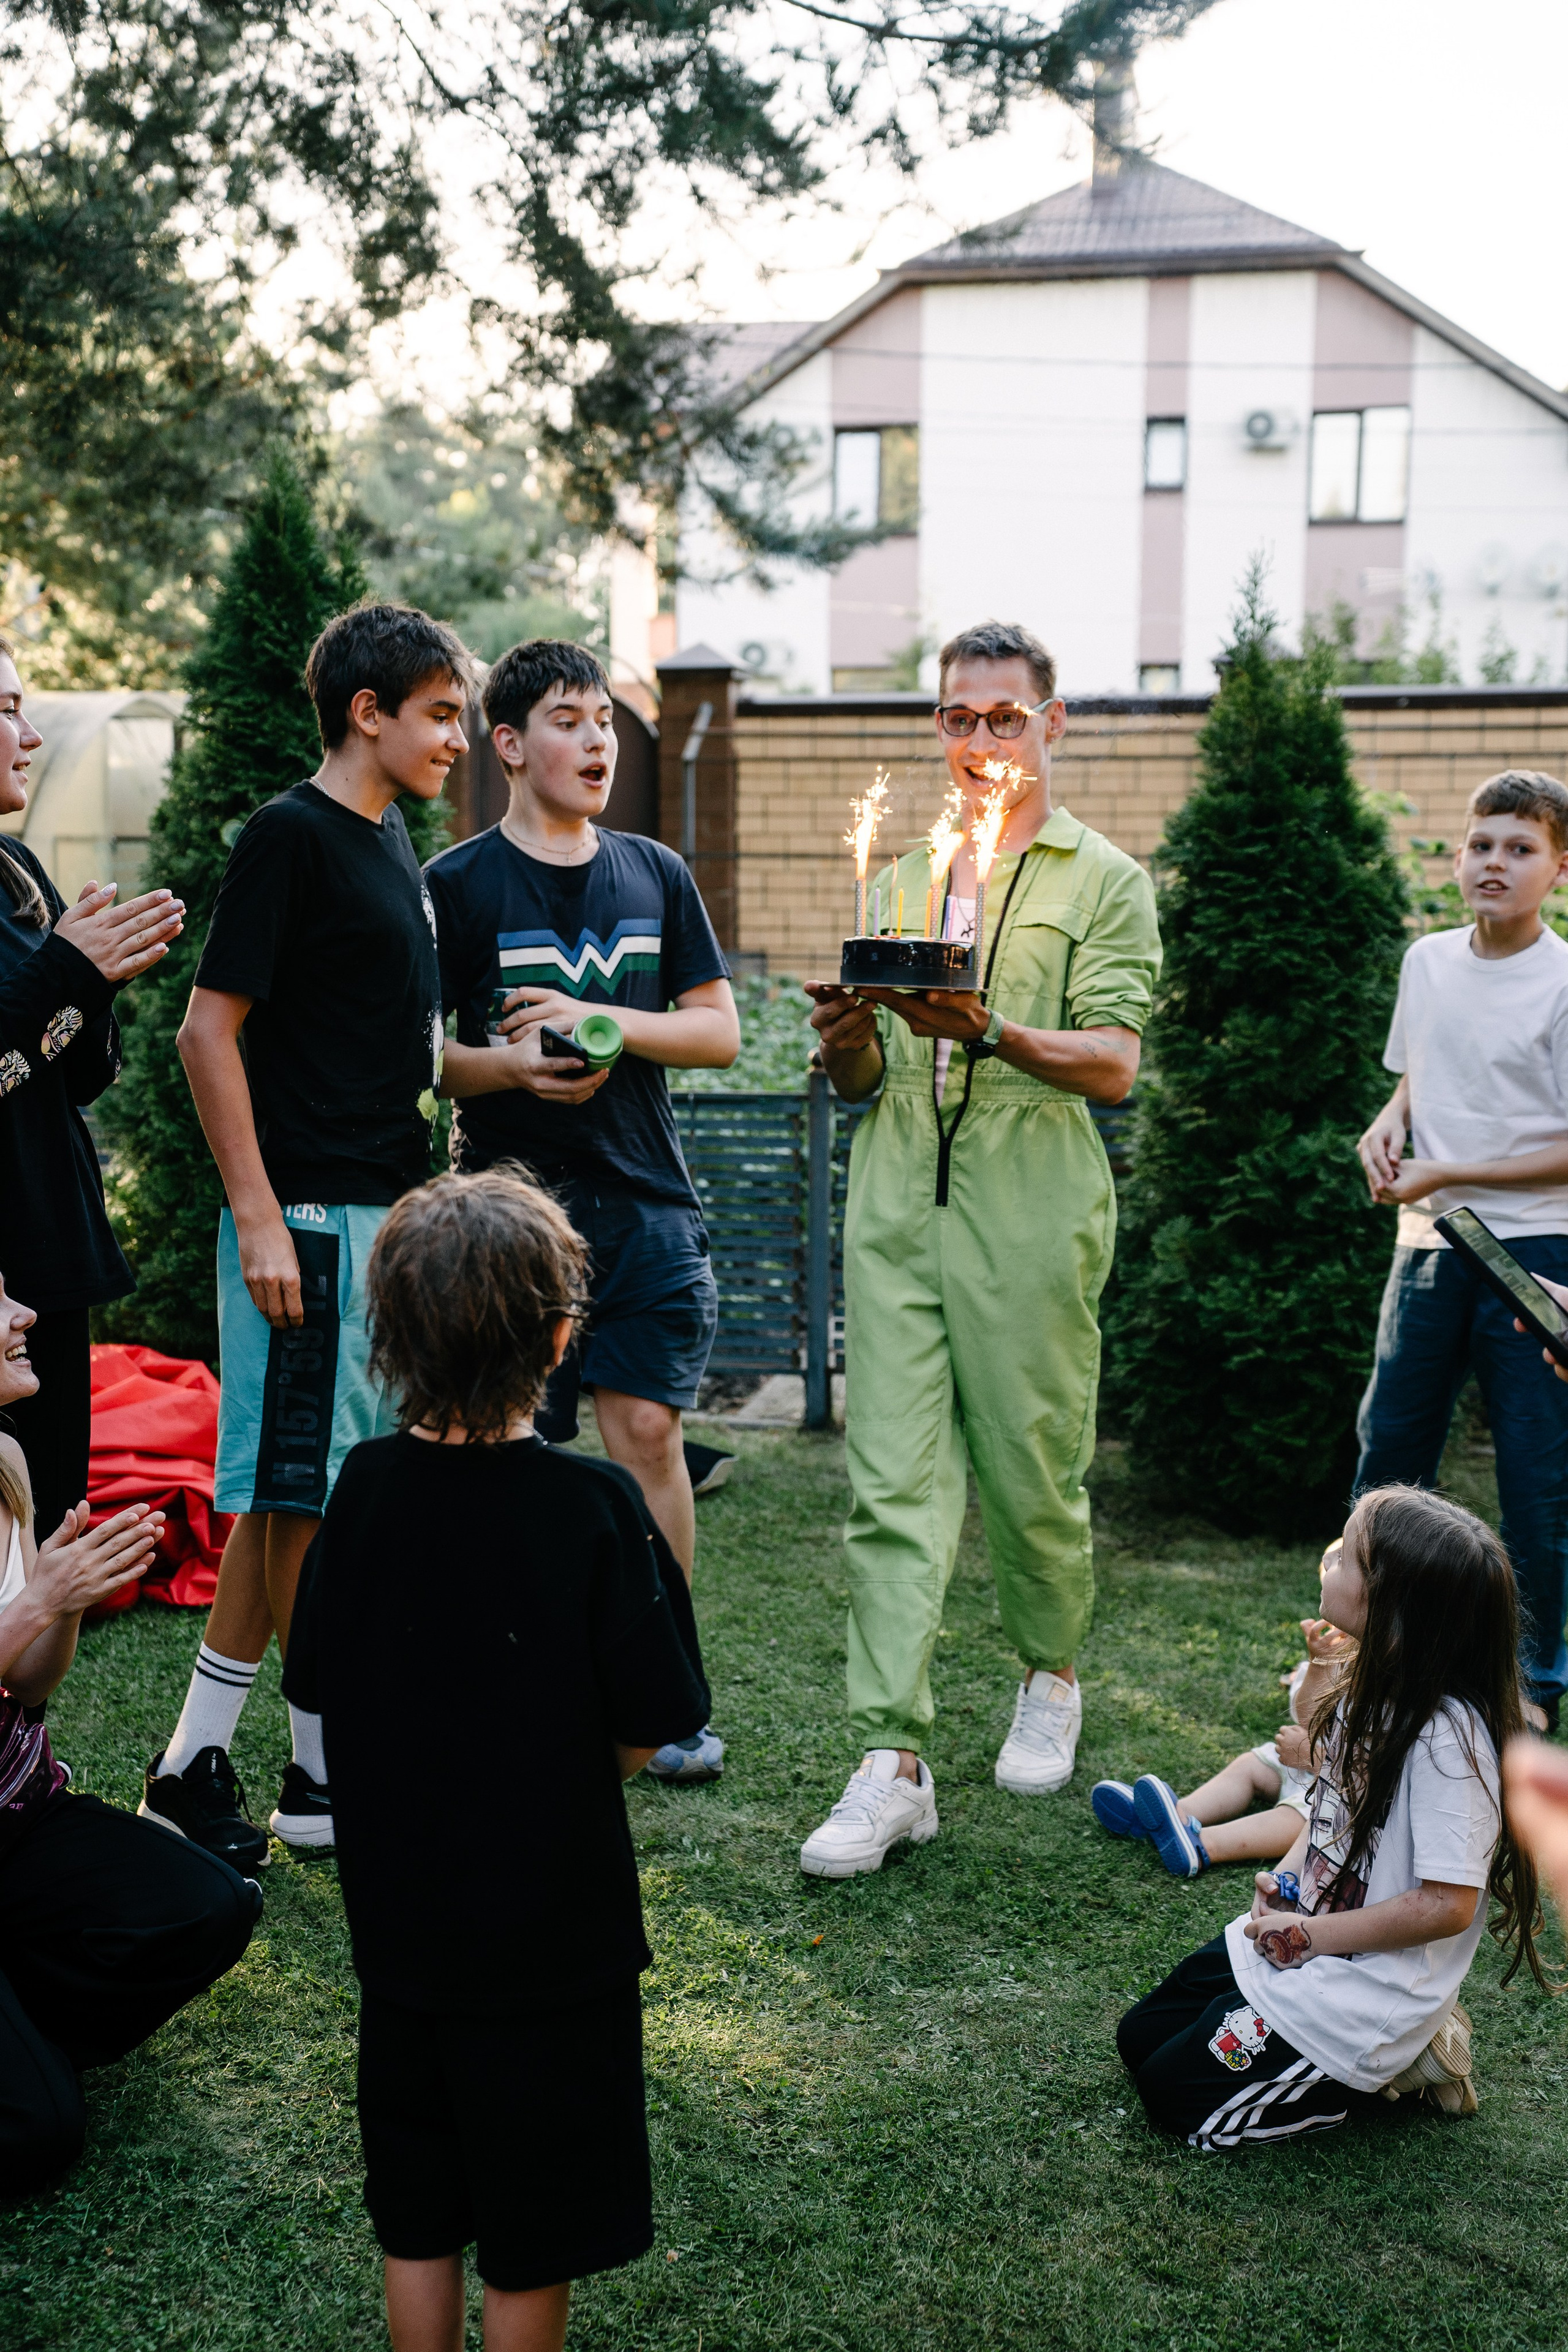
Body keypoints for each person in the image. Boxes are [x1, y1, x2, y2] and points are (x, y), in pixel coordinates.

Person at [280, 1168, 709, 2352]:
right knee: (535, 2228)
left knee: (418, 2213)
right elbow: (647, 1725)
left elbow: (314, 1678)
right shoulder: (594, 1507)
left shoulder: (360, 1491)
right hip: (553, 1952)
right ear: (565, 1334)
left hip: (403, 1941)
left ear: (390, 1336)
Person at [799, 619, 1161, 1875]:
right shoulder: (897, 882)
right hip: (897, 1189)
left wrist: (986, 1027)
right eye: (957, 717)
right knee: (890, 1483)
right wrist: (844, 1030)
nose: (977, 741)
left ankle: (1049, 1671)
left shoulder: (1102, 879)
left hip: (1032, 1194)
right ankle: (890, 1758)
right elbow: (856, 1080)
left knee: (1031, 1469)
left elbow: (1111, 1068)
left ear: (1050, 725)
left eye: (1002, 717)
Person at [140, 602, 472, 1870]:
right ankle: (323, 1774)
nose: (454, 738)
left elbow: (379, 1045)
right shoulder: (291, 835)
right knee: (306, 1506)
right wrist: (261, 1219)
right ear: (365, 712)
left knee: (295, 1506)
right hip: (307, 1228)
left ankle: (196, 1763)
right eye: (439, 714)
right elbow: (204, 1031)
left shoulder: (392, 841)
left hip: (375, 1221)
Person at [423, 639, 739, 1785]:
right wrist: (511, 1070)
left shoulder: (656, 872)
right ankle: (522, 1682)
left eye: (605, 718)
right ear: (508, 744)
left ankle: (665, 1698)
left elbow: (717, 1029)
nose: (598, 739)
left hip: (648, 1203)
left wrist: (602, 1023)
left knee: (648, 1435)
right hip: (506, 1218)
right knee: (506, 1452)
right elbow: (426, 1061)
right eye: (568, 718)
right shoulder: (454, 887)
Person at [1117, 1486, 1550, 2149]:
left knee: (1175, 2100)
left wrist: (1312, 1937)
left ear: (1394, 1608)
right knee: (1137, 2040)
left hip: (1360, 1997)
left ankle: (1390, 2063)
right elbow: (1329, 1816)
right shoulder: (1365, 1687)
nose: (1330, 1563)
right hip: (1302, 1946)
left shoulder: (1449, 1745)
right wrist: (1285, 1883)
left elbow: (1447, 1905)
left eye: (1346, 1557)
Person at [0, 1268, 260, 2198]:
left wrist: (59, 1608)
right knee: (40, 2133)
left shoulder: (7, 1459)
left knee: (213, 1905)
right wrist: (33, 1600)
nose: (24, 1313)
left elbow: (26, 1686)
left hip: (16, 1817)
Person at [1356, 769, 1568, 1730]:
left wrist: (1452, 1171)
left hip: (1535, 1251)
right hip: (1427, 1243)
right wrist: (1388, 1124)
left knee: (1536, 1474)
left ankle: (1532, 1680)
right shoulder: (1427, 961)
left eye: (1521, 848)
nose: (1497, 862)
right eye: (1482, 844)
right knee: (1390, 1449)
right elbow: (1418, 1075)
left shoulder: (1563, 980)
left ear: (1558, 868)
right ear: (1458, 858)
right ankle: (1365, 1645)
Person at [0, 638, 186, 1535]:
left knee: (52, 1507)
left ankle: (32, 1682)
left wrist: (96, 985)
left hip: (48, 1243)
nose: (30, 737)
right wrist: (63, 974)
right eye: (6, 713)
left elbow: (73, 1080)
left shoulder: (19, 877)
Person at [1091, 1607, 1352, 1878]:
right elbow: (1305, 1715)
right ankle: (1177, 1815)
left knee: (1309, 1815)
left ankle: (1203, 1845)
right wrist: (1320, 1664)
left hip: (1343, 1791)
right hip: (1303, 1763)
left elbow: (1374, 1776)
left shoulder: (1391, 1686)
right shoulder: (1339, 1653)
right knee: (1254, 1765)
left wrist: (1318, 1759)